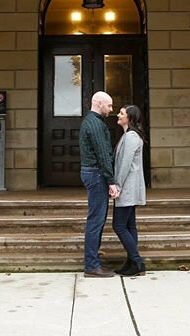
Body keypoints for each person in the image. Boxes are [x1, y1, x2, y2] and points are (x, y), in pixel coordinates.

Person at [79, 91, 119, 278]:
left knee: (96, 219)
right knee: (96, 220)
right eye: (109, 105)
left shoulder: (91, 121)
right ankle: (92, 265)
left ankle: (93, 260)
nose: (111, 109)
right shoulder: (95, 124)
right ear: (99, 103)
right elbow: (103, 154)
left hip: (92, 173)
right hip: (96, 174)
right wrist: (111, 180)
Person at [112, 105, 147, 277]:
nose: (118, 115)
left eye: (122, 113)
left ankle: (137, 261)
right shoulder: (128, 136)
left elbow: (125, 164)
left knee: (118, 225)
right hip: (129, 186)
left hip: (127, 187)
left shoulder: (131, 137)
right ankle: (131, 262)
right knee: (129, 225)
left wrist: (117, 185)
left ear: (130, 118)